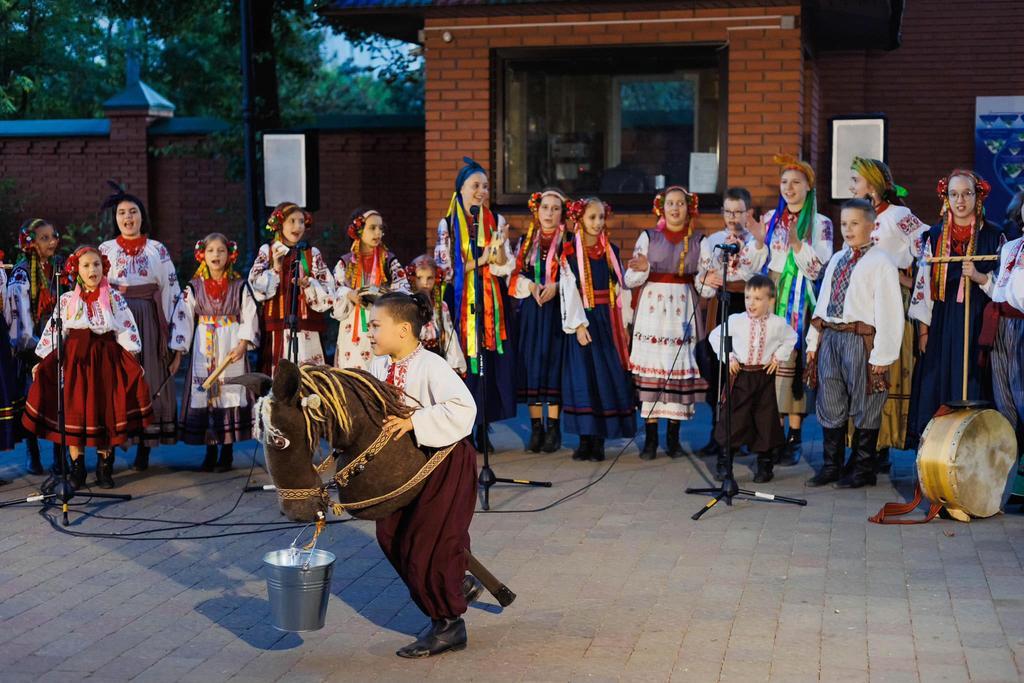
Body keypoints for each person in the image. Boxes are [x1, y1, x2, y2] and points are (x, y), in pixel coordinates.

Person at [367, 291, 479, 658]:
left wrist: (415, 420)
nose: (369, 333)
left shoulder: (430, 364)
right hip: (408, 469)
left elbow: (464, 407)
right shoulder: (381, 367)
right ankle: (455, 583)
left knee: (429, 543)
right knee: (390, 534)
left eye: (375, 326)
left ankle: (449, 625)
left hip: (444, 464)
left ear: (402, 330)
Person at [22, 246, 153, 489]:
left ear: (104, 268)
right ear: (76, 270)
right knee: (75, 412)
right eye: (86, 265)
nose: (92, 269)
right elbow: (55, 331)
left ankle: (105, 466)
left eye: (96, 264)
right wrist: (43, 359)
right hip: (75, 363)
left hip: (105, 360)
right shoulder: (67, 299)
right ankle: (77, 468)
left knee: (105, 411)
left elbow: (126, 327)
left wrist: (132, 358)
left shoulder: (114, 298)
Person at [805, 199, 903, 488]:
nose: (848, 229)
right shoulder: (837, 258)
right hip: (832, 337)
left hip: (861, 340)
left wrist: (882, 355)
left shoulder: (881, 262)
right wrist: (814, 342)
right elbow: (823, 302)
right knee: (831, 398)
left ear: (872, 226)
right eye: (844, 223)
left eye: (855, 223)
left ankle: (863, 469)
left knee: (865, 401)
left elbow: (890, 311)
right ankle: (831, 465)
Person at [749, 154, 834, 467]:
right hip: (772, 294)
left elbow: (818, 269)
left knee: (793, 363)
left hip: (801, 297)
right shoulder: (772, 217)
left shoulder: (820, 222)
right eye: (784, 182)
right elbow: (755, 264)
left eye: (796, 182)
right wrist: (759, 242)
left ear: (809, 186)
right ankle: (772, 432)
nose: (789, 188)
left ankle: (794, 436)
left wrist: (798, 246)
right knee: (770, 361)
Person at [848, 157, 930, 471]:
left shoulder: (899, 214)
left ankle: (881, 448)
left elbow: (927, 245)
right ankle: (863, 446)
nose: (851, 186)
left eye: (855, 180)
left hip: (892, 299)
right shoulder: (858, 216)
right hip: (863, 303)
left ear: (871, 183)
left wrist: (907, 278)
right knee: (862, 372)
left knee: (887, 372)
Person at [908, 170, 1002, 444]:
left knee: (975, 385)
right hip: (942, 323)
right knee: (936, 385)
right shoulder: (934, 236)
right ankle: (935, 462)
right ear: (946, 198)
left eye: (967, 193)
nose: (960, 200)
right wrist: (923, 332)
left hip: (978, 324)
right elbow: (923, 286)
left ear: (978, 196)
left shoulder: (995, 236)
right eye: (954, 194)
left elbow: (1005, 286)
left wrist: (979, 277)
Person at [434, 157, 516, 453]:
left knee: (487, 364)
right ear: (461, 189)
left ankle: (484, 426)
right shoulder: (449, 224)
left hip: (490, 300)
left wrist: (501, 253)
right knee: (464, 365)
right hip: (460, 302)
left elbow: (504, 267)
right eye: (475, 185)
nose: (481, 191)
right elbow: (445, 269)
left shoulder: (496, 221)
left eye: (485, 186)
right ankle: (464, 428)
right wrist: (483, 259)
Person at [99, 183, 180, 471]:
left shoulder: (157, 249)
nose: (128, 217)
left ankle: (145, 445)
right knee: (117, 383)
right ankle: (112, 446)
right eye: (122, 212)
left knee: (148, 378)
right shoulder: (105, 250)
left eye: (133, 211)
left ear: (142, 216)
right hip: (117, 324)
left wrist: (176, 344)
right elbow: (94, 290)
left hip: (149, 320)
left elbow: (172, 293)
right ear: (116, 218)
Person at [625, 186, 708, 460]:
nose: (675, 208)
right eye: (670, 203)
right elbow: (630, 279)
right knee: (653, 371)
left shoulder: (698, 240)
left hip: (682, 309)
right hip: (653, 311)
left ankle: (673, 437)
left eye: (680, 204)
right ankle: (650, 439)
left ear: (689, 207)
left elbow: (705, 283)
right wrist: (642, 269)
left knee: (676, 369)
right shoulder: (649, 237)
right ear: (662, 207)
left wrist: (709, 280)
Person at [168, 234, 259, 472]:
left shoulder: (239, 285)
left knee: (229, 391)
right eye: (211, 251)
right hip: (204, 343)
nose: (216, 255)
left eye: (221, 251)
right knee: (207, 392)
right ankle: (210, 450)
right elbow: (183, 317)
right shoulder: (194, 286)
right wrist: (179, 352)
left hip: (230, 342)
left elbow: (249, 314)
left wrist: (243, 343)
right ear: (202, 255)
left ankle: (227, 451)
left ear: (230, 255)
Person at [559, 197, 636, 461]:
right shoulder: (569, 251)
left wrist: (625, 322)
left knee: (605, 375)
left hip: (606, 320)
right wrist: (578, 325)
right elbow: (568, 290)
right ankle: (584, 439)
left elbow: (621, 287)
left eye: (601, 217)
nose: (597, 223)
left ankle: (600, 439)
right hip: (582, 320)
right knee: (582, 378)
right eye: (592, 217)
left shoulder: (610, 250)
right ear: (579, 219)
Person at [694, 186, 767, 459]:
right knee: (718, 369)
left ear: (748, 213)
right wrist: (705, 280)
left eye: (739, 211)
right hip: (720, 307)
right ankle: (718, 433)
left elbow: (752, 272)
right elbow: (702, 278)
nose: (733, 217)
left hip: (745, 308)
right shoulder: (712, 240)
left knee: (743, 370)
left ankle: (743, 435)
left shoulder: (756, 241)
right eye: (728, 211)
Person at [706, 274, 796, 483]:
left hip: (764, 377)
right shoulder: (736, 321)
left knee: (765, 420)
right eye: (748, 298)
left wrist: (778, 356)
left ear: (770, 300)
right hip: (741, 376)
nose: (751, 303)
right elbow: (716, 336)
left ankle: (765, 464)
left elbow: (791, 338)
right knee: (735, 419)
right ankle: (724, 463)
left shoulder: (778, 324)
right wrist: (729, 356)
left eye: (757, 299)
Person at [509, 189, 568, 453]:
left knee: (553, 364)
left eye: (556, 208)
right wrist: (531, 286)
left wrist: (557, 286)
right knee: (532, 362)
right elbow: (514, 275)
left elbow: (577, 275)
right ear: (537, 210)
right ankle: (536, 427)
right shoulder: (526, 240)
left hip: (557, 309)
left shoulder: (569, 241)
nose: (550, 213)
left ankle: (554, 427)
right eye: (545, 207)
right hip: (534, 309)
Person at [248, 201, 336, 374]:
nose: (298, 226)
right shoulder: (268, 250)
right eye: (292, 221)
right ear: (280, 224)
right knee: (279, 377)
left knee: (310, 375)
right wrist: (276, 268)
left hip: (307, 326)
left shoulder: (312, 253)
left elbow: (328, 290)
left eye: (302, 221)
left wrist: (310, 284)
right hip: (277, 327)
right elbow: (256, 286)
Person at [8, 219, 60, 478]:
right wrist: (32, 348)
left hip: (55, 337)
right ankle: (32, 453)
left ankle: (60, 456)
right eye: (44, 238)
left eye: (53, 236)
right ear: (30, 244)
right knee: (33, 399)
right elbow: (18, 314)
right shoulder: (22, 272)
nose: (52, 241)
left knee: (59, 398)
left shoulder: (54, 269)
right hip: (33, 344)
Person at [980, 200, 1024, 499]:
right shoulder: (1012, 248)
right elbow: (999, 290)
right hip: (1003, 326)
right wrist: (980, 280)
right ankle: (1010, 486)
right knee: (1005, 401)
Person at [332, 208, 409, 369]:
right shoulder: (346, 262)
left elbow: (403, 287)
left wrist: (388, 294)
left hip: (383, 323)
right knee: (352, 376)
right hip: (353, 328)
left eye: (381, 228)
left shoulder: (388, 260)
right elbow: (335, 291)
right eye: (372, 228)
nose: (378, 233)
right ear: (359, 230)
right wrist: (349, 294)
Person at [408, 254, 465, 374]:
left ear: (437, 278)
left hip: (435, 357)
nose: (425, 283)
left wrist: (454, 363)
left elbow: (449, 334)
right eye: (419, 278)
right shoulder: (407, 305)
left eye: (430, 278)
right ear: (412, 278)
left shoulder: (441, 306)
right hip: (413, 360)